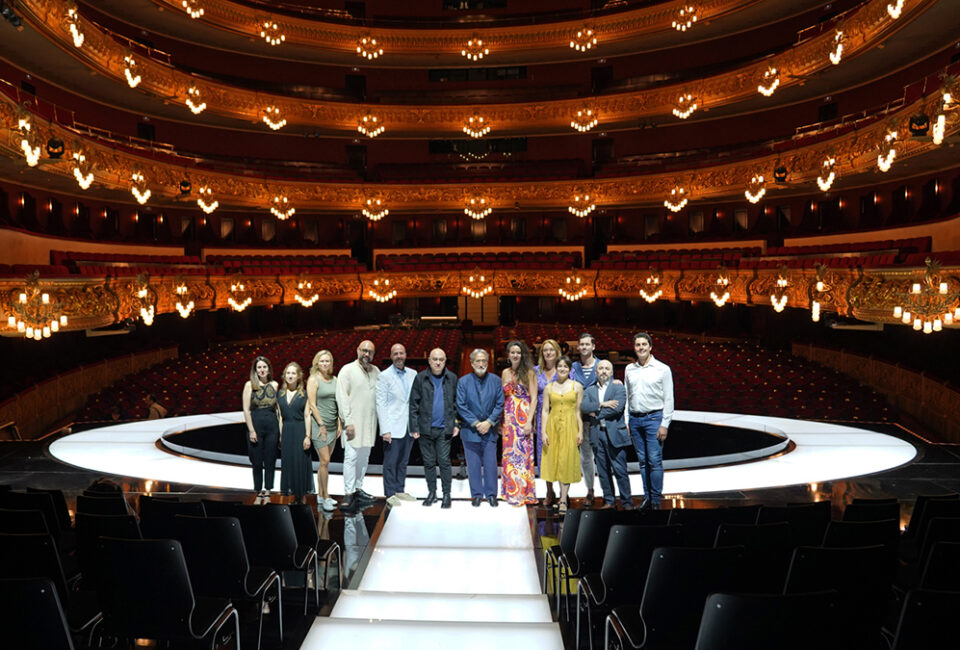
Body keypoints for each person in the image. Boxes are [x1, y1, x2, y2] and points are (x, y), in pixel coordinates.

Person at [624, 332, 675, 510]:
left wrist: (665, 424)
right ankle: (647, 498)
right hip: (635, 420)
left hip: (654, 419)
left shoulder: (663, 369)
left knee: (654, 460)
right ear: (634, 348)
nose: (641, 348)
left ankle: (655, 500)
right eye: (638, 345)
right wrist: (627, 421)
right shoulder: (629, 369)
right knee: (643, 461)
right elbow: (628, 397)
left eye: (644, 344)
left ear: (650, 347)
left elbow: (669, 399)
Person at [409, 348, 459, 508]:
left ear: (445, 361)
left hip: (445, 429)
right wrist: (414, 426)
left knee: (444, 462)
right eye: (435, 359)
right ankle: (432, 493)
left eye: (441, 359)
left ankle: (446, 494)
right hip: (425, 429)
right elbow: (413, 404)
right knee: (429, 462)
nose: (438, 362)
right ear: (429, 360)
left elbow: (457, 404)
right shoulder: (420, 378)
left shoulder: (452, 378)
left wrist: (456, 423)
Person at [581, 360, 633, 510]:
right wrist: (601, 404)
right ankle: (609, 501)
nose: (603, 371)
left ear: (611, 372)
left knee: (620, 471)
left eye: (607, 368)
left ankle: (627, 503)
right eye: (601, 368)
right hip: (597, 434)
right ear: (596, 372)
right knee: (603, 471)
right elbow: (583, 406)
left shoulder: (618, 387)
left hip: (615, 434)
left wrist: (595, 413)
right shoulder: (589, 390)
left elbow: (617, 408)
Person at [336, 340, 381, 511]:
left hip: (369, 424)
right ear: (357, 350)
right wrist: (347, 421)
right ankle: (348, 493)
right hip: (352, 424)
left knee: (364, 458)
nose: (366, 354)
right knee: (351, 458)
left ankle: (358, 488)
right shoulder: (347, 370)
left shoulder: (376, 371)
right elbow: (342, 398)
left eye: (370, 351)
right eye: (364, 350)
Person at [457, 349, 505, 507]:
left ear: (488, 362)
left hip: (490, 430)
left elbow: (500, 404)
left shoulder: (496, 381)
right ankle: (476, 494)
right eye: (478, 361)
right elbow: (461, 406)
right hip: (470, 431)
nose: (481, 364)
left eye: (484, 361)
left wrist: (489, 422)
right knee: (473, 465)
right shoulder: (463, 382)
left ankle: (491, 495)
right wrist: (477, 423)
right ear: (471, 363)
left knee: (491, 464)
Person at [376, 343, 418, 506]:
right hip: (392, 428)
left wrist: (415, 426)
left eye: (401, 353)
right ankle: (390, 493)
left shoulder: (413, 374)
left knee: (403, 461)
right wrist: (385, 429)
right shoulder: (384, 376)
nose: (399, 356)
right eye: (395, 354)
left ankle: (400, 490)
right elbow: (381, 404)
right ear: (391, 356)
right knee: (390, 462)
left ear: (406, 355)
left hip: (408, 427)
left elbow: (415, 402)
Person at [541, 356, 583, 514]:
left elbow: (579, 411)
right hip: (552, 427)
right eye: (560, 366)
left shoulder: (577, 386)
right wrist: (543, 431)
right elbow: (545, 411)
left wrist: (580, 431)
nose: (563, 369)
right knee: (554, 461)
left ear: (570, 369)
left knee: (566, 461)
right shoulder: (548, 388)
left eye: (566, 366)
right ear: (556, 369)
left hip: (570, 426)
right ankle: (554, 494)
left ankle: (563, 499)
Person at [500, 340, 538, 506]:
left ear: (522, 355)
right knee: (509, 456)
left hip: (523, 417)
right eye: (512, 352)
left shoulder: (529, 372)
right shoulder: (504, 373)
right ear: (508, 355)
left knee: (523, 456)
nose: (515, 355)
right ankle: (510, 491)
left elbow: (534, 398)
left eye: (518, 352)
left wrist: (530, 421)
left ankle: (523, 492)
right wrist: (501, 421)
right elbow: (503, 398)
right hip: (509, 419)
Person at [306, 350, 340, 512]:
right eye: (322, 361)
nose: (325, 364)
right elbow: (312, 405)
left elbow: (337, 402)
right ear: (316, 363)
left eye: (327, 361)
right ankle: (326, 497)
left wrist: (339, 423)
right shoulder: (313, 380)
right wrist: (321, 425)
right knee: (325, 461)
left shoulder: (335, 379)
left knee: (323, 463)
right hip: (320, 426)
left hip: (333, 426)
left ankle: (320, 494)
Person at [242, 356, 280, 500]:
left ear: (269, 368)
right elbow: (246, 410)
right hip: (256, 424)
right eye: (259, 367)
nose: (262, 370)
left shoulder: (275, 384)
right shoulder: (249, 385)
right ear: (255, 370)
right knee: (256, 461)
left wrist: (280, 430)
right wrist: (251, 430)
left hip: (272, 424)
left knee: (270, 460)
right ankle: (258, 491)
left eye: (264, 367)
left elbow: (278, 409)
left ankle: (269, 490)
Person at [571, 332, 599, 507]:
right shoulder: (574, 367)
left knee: (601, 457)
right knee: (585, 458)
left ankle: (610, 494)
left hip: (597, 419)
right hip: (578, 418)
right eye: (581, 344)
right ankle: (590, 490)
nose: (584, 347)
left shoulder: (602, 365)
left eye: (587, 344)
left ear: (593, 346)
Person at [278, 362, 312, 504]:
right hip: (286, 431)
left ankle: (301, 497)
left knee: (299, 463)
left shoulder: (304, 394)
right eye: (288, 373)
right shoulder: (280, 394)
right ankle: (293, 497)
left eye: (293, 373)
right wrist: (280, 436)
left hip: (300, 430)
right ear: (284, 375)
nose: (290, 376)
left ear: (298, 376)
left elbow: (307, 416)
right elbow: (280, 416)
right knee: (289, 463)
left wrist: (307, 436)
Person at [535, 339, 562, 506]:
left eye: (551, 350)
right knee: (544, 456)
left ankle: (562, 493)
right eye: (545, 350)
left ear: (557, 352)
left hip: (561, 417)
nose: (548, 353)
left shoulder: (564, 369)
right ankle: (549, 491)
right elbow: (530, 396)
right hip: (541, 418)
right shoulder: (535, 371)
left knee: (560, 455)